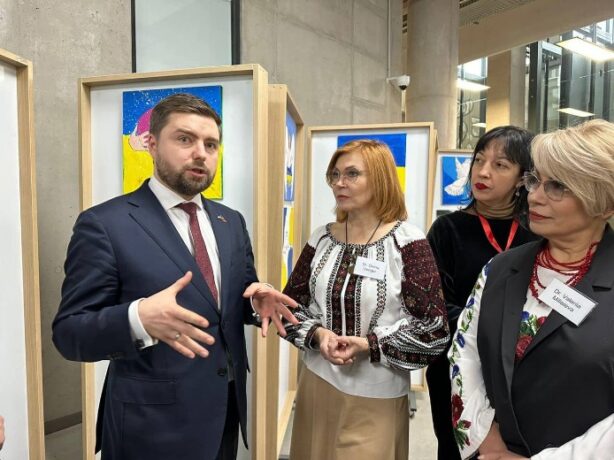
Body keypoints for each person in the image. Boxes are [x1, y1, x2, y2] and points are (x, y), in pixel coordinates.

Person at [52, 93, 298, 460]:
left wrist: (254, 301)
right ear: (151, 144)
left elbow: (232, 295)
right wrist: (138, 319)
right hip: (151, 427)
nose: (201, 153)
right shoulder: (104, 224)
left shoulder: (230, 221)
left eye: (211, 144)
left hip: (224, 413)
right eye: (185, 139)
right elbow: (70, 333)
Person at [449, 119, 614, 459]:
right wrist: (486, 440)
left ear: (605, 202)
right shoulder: (500, 268)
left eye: (557, 186)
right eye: (535, 180)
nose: (534, 196)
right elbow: (465, 354)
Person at [281, 139, 449, 460]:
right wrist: (318, 335)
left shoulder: (407, 242)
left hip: (376, 392)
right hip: (317, 382)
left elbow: (433, 330)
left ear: (381, 178)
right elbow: (288, 307)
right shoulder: (321, 237)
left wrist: (368, 345)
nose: (339, 183)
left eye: (352, 174)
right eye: (335, 175)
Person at [425, 126, 537, 460]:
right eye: (478, 160)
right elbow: (434, 307)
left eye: (500, 165)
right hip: (456, 368)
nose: (483, 172)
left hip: (520, 372)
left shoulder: (537, 231)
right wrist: (494, 330)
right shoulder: (447, 229)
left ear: (522, 178)